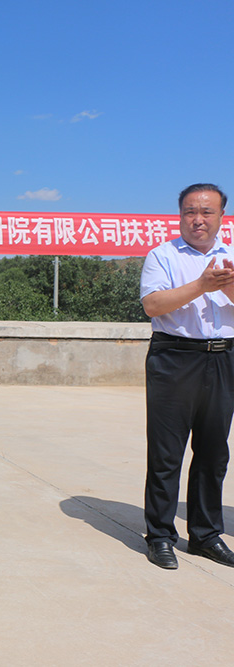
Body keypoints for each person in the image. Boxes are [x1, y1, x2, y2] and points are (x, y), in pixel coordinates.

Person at [140, 183, 234, 570]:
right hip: (174, 357)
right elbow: (153, 304)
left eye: (206, 212)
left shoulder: (231, 257)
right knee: (166, 453)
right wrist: (201, 285)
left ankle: (206, 535)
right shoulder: (162, 256)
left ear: (221, 216)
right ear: (179, 216)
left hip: (223, 357)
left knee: (214, 452)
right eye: (190, 212)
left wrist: (228, 285)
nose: (198, 219)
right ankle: (160, 535)